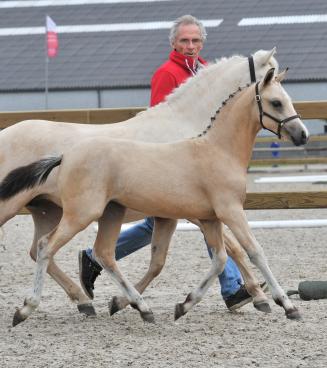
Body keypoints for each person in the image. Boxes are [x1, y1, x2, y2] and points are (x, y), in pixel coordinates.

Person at [79, 14, 266, 310]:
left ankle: (92, 256)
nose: (190, 46)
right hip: (172, 166)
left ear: (202, 42)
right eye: (184, 41)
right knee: (208, 218)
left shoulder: (206, 71)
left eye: (195, 40)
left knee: (157, 224)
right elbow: (159, 121)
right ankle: (232, 287)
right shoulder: (167, 73)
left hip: (198, 163)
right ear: (174, 43)